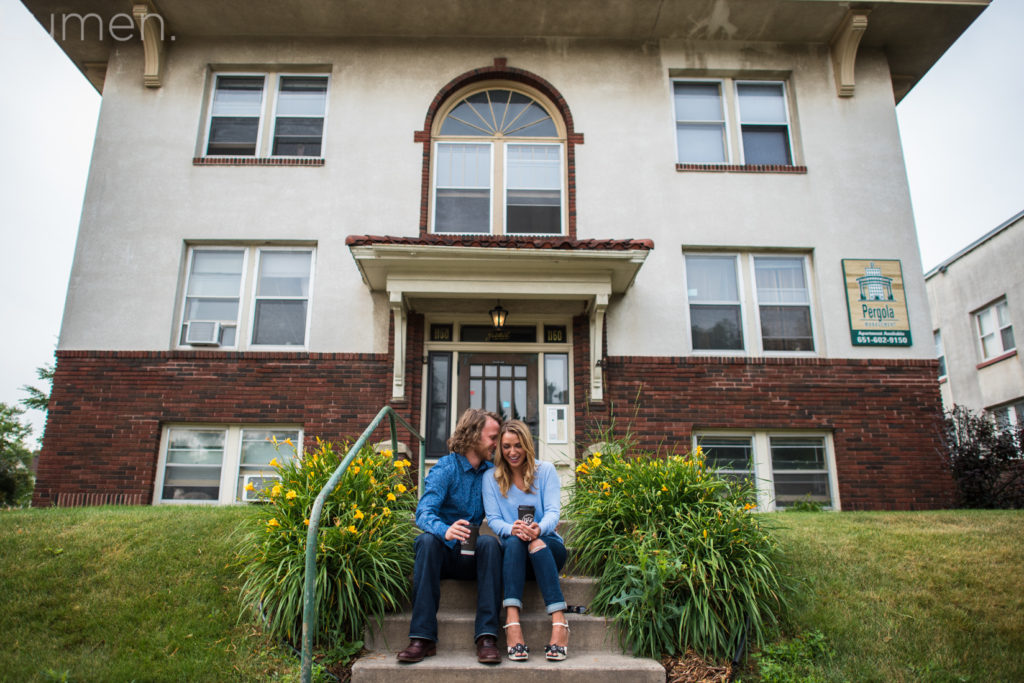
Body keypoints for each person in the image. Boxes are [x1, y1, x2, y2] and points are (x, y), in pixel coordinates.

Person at [397, 408, 504, 665]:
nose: (496, 444)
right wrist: (444, 529)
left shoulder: (492, 472)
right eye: (493, 437)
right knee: (425, 541)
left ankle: (487, 637)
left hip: (471, 556)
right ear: (474, 435)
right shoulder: (446, 468)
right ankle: (422, 638)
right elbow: (423, 512)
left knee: (490, 543)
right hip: (441, 555)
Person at [482, 419, 570, 662]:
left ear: (527, 445)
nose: (512, 452)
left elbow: (554, 512)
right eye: (507, 446)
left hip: (548, 548)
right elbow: (494, 519)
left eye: (518, 445)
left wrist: (538, 529)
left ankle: (559, 621)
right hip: (514, 557)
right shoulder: (491, 477)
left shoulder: (546, 471)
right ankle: (512, 622)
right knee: (512, 542)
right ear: (500, 448)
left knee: (536, 543)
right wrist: (514, 528)